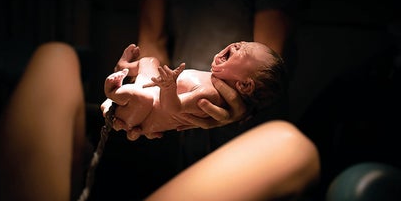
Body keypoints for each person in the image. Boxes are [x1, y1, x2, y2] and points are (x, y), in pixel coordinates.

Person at [0, 42, 320, 201]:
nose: (231, 49)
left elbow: (269, 76)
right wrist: (145, 82)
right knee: (57, 54)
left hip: (195, 133)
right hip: (149, 122)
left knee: (292, 144)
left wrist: (235, 114)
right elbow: (153, 55)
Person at [125, 0, 316, 166]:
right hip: (184, 122)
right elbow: (152, 41)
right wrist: (146, 92)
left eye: (242, 47)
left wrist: (243, 108)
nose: (237, 45)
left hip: (252, 131)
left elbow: (266, 61)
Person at [103, 41, 287, 141]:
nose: (238, 44)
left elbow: (173, 109)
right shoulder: (213, 81)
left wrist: (169, 87)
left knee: (139, 96)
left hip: (144, 111)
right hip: (147, 92)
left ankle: (113, 92)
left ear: (245, 86)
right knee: (150, 61)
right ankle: (124, 67)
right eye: (244, 41)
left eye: (245, 51)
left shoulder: (211, 95)